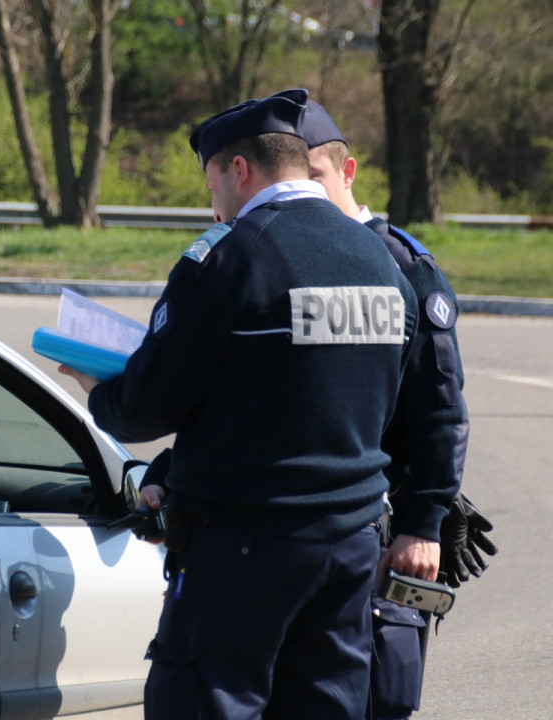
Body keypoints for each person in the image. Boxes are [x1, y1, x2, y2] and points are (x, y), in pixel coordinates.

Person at [60, 88, 419, 720]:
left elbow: (149, 408)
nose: (214, 204)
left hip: (245, 548)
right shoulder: (381, 261)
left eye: (211, 185)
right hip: (350, 545)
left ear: (240, 170)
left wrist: (103, 393)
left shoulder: (228, 259)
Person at [302, 99, 497, 720]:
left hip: (376, 525)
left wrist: (424, 520)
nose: (301, 196)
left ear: (348, 171)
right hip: (294, 527)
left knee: (369, 696)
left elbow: (440, 408)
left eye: (314, 179)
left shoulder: (404, 266)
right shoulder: (278, 257)